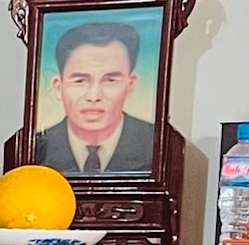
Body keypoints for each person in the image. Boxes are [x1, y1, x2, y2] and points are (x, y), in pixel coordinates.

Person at [32, 18, 156, 175]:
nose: (94, 96)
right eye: (80, 81)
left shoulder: (157, 143)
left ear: (130, 85)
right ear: (58, 87)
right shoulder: (35, 149)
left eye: (110, 80)